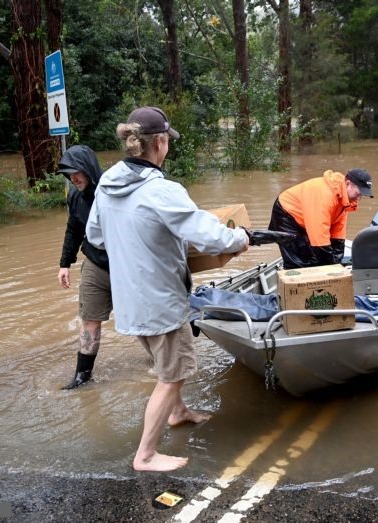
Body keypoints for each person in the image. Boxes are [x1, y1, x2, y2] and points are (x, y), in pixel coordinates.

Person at [86, 106, 249, 472]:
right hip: (160, 302)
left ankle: (179, 412)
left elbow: (95, 236)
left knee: (166, 365)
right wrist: (240, 237)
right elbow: (208, 235)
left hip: (128, 301)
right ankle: (145, 454)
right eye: (167, 141)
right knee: (173, 373)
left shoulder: (107, 183)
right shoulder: (162, 190)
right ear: (159, 143)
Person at [56, 145, 110, 390]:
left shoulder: (112, 192)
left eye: (76, 173)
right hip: (94, 264)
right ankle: (82, 376)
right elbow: (73, 229)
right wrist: (64, 264)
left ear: (89, 169)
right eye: (68, 175)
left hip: (125, 265)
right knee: (89, 318)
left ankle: (158, 364)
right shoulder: (75, 196)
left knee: (142, 319)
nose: (73, 179)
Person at [268, 168, 373, 269]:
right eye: (359, 192)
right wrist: (329, 267)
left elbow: (338, 231)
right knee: (300, 262)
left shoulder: (345, 200)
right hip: (286, 214)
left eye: (363, 194)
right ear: (348, 184)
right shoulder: (325, 196)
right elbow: (319, 238)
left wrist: (337, 263)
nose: (359, 197)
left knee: (319, 259)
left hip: (308, 218)